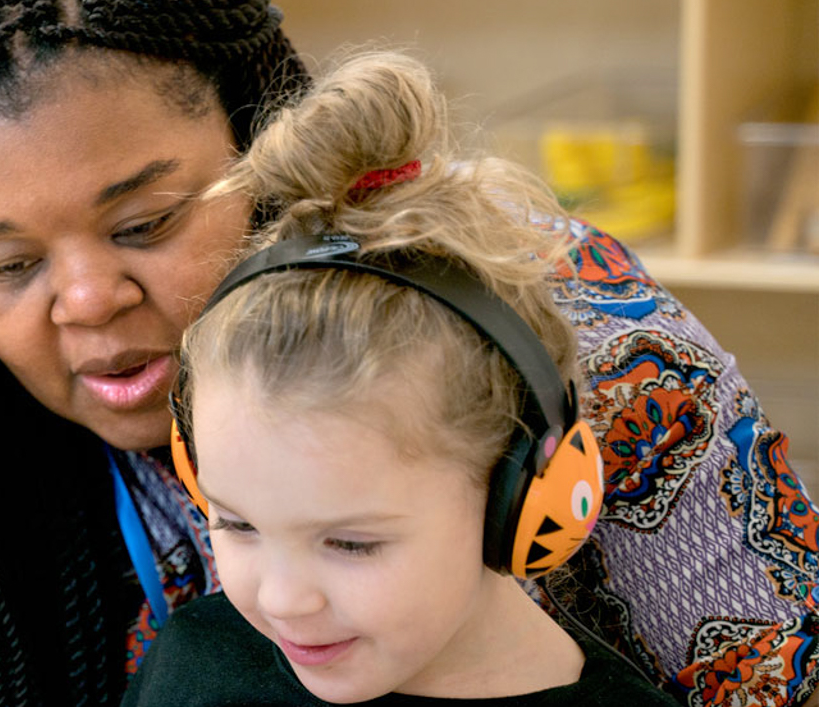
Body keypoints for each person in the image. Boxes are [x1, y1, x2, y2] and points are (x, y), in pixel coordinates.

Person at [0, 0, 819, 707]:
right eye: (5, 266)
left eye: (146, 223)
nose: (86, 299)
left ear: (263, 142)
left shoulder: (562, 330)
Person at [121, 51, 672, 706]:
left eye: (351, 542)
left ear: (522, 500)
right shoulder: (195, 666)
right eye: (238, 524)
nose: (281, 599)